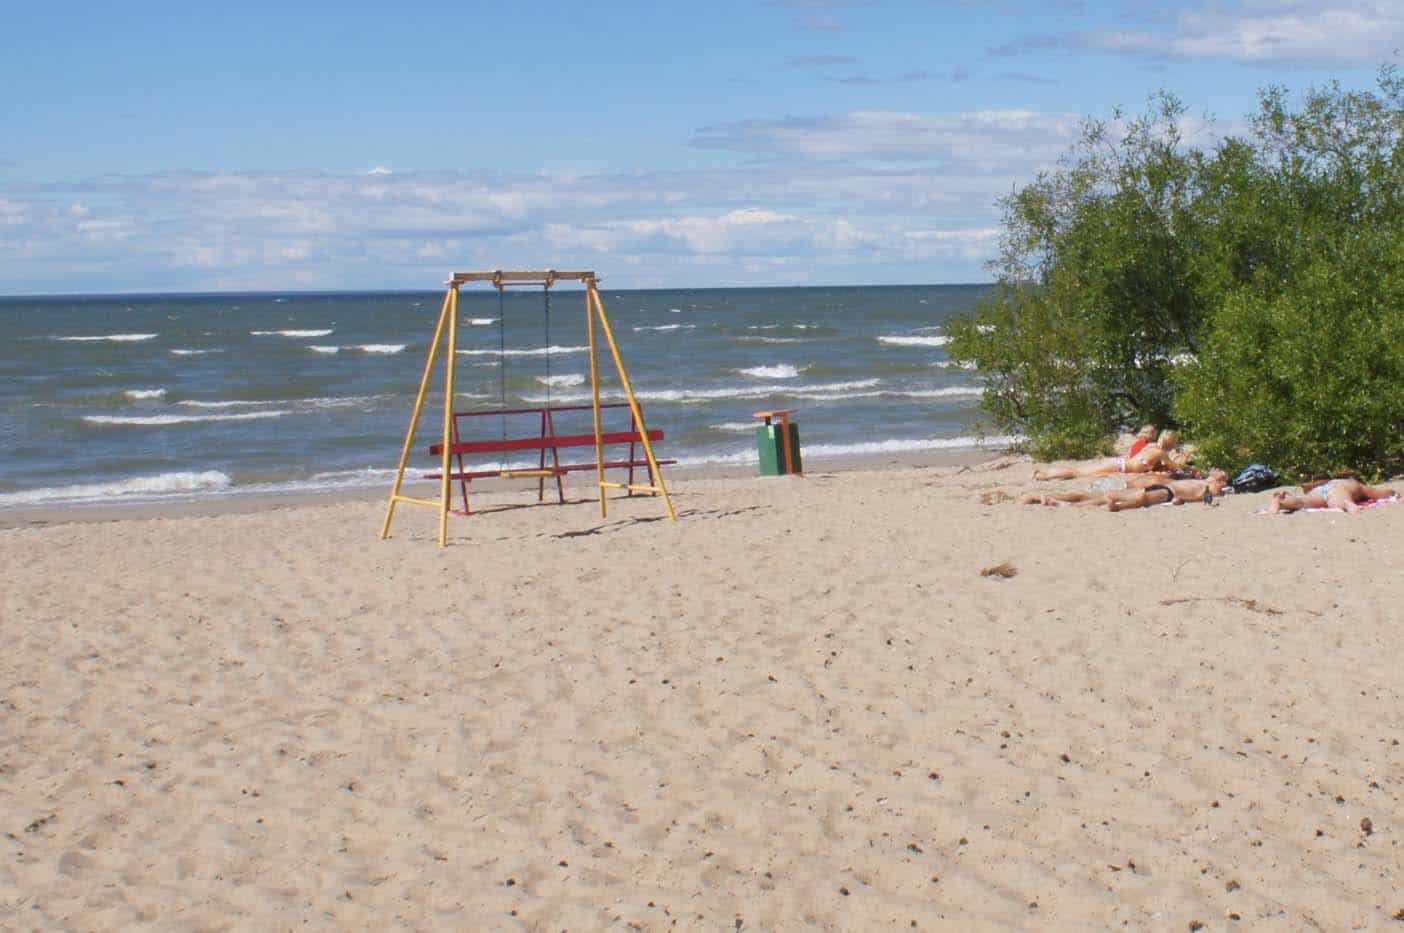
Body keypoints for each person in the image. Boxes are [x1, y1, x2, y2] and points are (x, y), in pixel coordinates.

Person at [1024, 468, 1227, 509]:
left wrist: (1182, 500)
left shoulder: (1212, 487)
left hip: (1169, 492)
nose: (1218, 470)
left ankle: (1060, 503)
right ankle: (1050, 497)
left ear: (1222, 481)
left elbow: (1206, 498)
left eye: (1222, 473)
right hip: (1163, 487)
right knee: (1103, 495)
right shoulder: (1203, 478)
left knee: (1110, 498)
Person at [1032, 430, 1188, 481]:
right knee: (1077, 473)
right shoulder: (1160, 453)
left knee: (1079, 470)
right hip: (1122, 467)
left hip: (1121, 463)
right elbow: (1175, 467)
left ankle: (1045, 473)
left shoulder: (1151, 446)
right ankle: (1043, 476)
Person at [1266, 477, 1397, 515]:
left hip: (1320, 490)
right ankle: (1348, 504)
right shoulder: (1355, 484)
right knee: (1343, 501)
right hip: (1337, 491)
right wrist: (1392, 492)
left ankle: (1283, 499)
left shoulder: (1332, 482)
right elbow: (1378, 493)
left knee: (1303, 501)